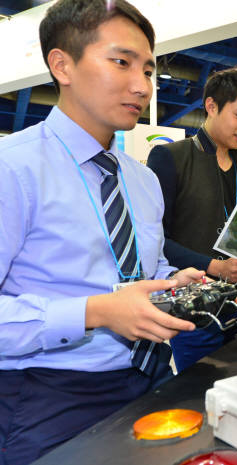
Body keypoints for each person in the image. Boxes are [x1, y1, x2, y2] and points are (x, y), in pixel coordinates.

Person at [0, 1, 205, 464]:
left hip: (151, 378)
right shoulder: (13, 170)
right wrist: (94, 312)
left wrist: (171, 283)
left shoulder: (142, 179)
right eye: (121, 62)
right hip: (49, 394)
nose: (142, 86)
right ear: (62, 65)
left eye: (149, 69)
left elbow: (145, 266)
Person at [146, 68, 237, 372]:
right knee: (198, 398)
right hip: (195, 313)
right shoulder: (170, 158)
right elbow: (156, 241)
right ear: (212, 106)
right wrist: (212, 266)